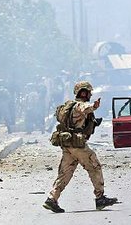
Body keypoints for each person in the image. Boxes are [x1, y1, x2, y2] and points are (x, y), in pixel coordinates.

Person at [43, 81, 117, 213]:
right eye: (88, 92)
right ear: (85, 93)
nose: (89, 94)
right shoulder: (80, 105)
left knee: (64, 174)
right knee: (95, 167)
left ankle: (52, 198)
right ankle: (100, 198)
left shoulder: (67, 106)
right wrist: (94, 106)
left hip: (67, 145)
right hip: (78, 146)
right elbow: (85, 108)